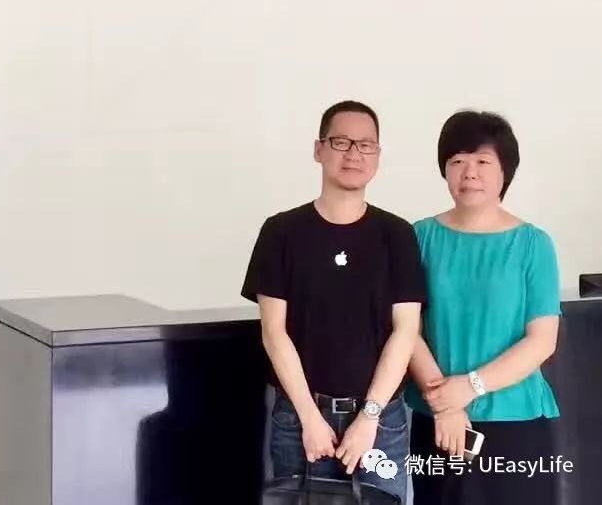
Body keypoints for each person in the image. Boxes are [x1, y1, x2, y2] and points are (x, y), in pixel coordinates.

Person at [241, 100, 427, 504]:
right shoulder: (281, 232)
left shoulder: (397, 235)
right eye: (341, 142)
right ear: (319, 149)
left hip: (382, 422)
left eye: (366, 145)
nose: (353, 154)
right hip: (299, 420)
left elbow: (405, 331)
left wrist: (369, 416)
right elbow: (274, 333)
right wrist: (309, 417)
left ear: (377, 155)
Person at [406, 109, 562, 505]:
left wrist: (469, 387)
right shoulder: (419, 238)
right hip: (439, 421)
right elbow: (405, 329)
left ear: (505, 172)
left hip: (515, 420)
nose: (469, 173)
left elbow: (542, 340)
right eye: (458, 161)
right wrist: (446, 404)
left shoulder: (533, 244)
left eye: (482, 162)